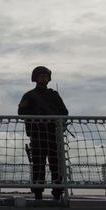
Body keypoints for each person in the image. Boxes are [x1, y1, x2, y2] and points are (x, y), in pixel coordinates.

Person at [17, 66, 68, 201]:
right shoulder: (29, 96)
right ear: (35, 78)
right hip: (37, 133)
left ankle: (58, 191)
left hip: (53, 133)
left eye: (45, 76)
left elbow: (64, 112)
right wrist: (37, 115)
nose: (43, 78)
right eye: (40, 76)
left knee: (56, 164)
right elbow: (22, 112)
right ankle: (38, 193)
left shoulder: (54, 95)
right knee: (38, 164)